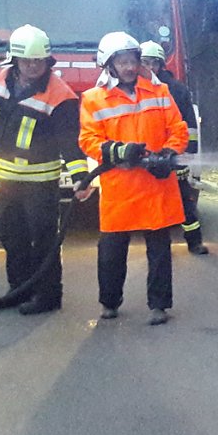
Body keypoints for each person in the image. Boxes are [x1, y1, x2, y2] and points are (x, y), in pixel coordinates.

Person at [0, 25, 93, 314]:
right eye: (27, 61)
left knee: (44, 240)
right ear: (15, 59)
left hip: (40, 181)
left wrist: (80, 176)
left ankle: (48, 296)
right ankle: (18, 290)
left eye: (39, 61)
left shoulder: (60, 95)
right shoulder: (4, 78)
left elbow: (69, 140)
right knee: (12, 236)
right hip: (6, 176)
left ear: (47, 60)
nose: (33, 66)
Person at [79, 32, 189, 325]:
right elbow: (89, 140)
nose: (129, 67)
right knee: (111, 251)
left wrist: (168, 153)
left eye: (133, 61)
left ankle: (159, 306)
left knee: (160, 250)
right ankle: (110, 302)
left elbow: (178, 129)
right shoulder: (93, 99)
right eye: (123, 62)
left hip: (155, 185)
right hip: (120, 187)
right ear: (109, 64)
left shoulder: (159, 91)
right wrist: (118, 151)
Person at [139, 41, 209, 254]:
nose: (150, 67)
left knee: (184, 200)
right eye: (145, 62)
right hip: (145, 155)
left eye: (154, 63)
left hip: (174, 155)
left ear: (161, 65)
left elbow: (189, 124)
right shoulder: (133, 89)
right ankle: (155, 241)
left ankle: (194, 242)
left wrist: (188, 152)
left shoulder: (176, 90)